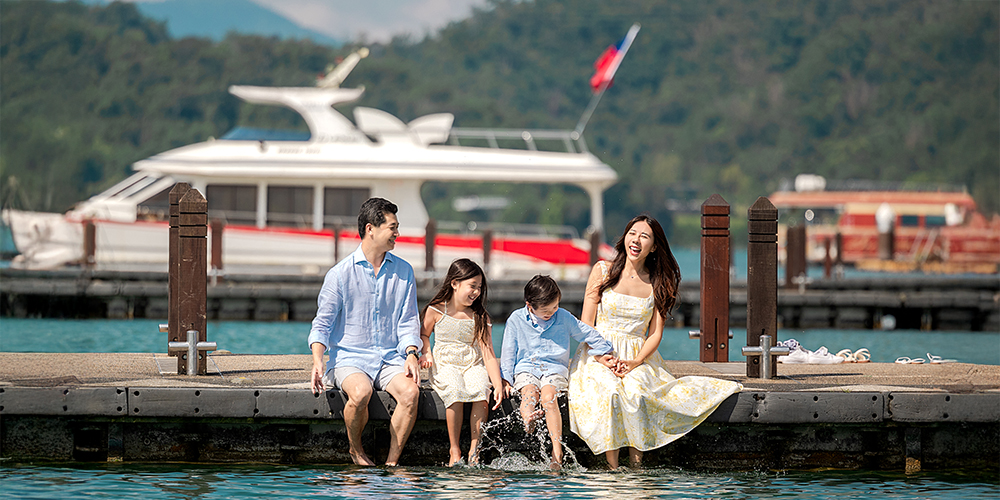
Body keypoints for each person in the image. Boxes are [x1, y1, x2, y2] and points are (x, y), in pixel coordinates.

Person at [568, 215, 742, 469]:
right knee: (610, 392)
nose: (636, 240)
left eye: (644, 236)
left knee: (638, 393)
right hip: (597, 351)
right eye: (632, 233)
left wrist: (635, 361)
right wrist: (601, 355)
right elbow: (586, 323)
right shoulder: (602, 270)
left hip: (638, 355)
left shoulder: (658, 282)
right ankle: (613, 468)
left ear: (654, 246)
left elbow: (655, 333)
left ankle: (637, 466)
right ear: (625, 237)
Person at [308, 197, 422, 467]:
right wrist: (317, 360)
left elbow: (408, 321)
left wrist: (411, 353)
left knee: (411, 393)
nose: (397, 233)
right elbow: (322, 324)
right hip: (350, 358)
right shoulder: (339, 274)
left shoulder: (404, 271)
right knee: (360, 392)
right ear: (370, 228)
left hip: (390, 359)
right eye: (392, 227)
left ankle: (392, 463)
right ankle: (356, 450)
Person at [500, 275, 618, 468]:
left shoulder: (563, 317)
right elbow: (508, 351)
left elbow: (585, 332)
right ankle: (528, 419)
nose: (552, 313)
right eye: (546, 311)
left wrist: (603, 350)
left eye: (555, 307)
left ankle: (557, 452)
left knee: (549, 397)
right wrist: (505, 379)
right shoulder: (516, 319)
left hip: (554, 369)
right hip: (526, 367)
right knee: (529, 393)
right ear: (529, 305)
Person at [420, 258, 505, 466]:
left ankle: (475, 448)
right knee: (455, 391)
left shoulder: (480, 316)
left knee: (481, 390)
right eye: (472, 286)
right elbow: (423, 335)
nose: (476, 292)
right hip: (445, 364)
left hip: (472, 364)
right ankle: (454, 448)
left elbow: (488, 353)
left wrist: (497, 384)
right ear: (455, 283)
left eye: (479, 287)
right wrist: (426, 353)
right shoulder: (436, 310)